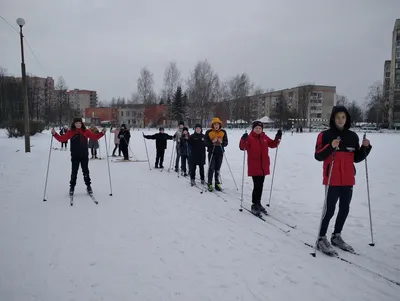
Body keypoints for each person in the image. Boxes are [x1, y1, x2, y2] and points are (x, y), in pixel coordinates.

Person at [314, 106, 372, 255]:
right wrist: (331, 146)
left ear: (347, 119)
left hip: (347, 179)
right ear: (333, 118)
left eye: (343, 117)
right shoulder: (324, 135)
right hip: (332, 178)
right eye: (338, 117)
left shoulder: (352, 136)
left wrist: (366, 148)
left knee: (344, 209)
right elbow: (318, 155)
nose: (341, 120)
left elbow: (357, 157)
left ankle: (336, 235)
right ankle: (321, 237)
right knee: (329, 209)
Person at [51, 117, 106, 196]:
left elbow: (95, 137)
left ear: (82, 124)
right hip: (75, 156)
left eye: (79, 123)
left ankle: (88, 186)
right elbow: (61, 139)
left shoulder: (86, 131)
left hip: (84, 155)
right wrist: (54, 134)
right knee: (74, 172)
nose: (78, 124)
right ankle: (72, 187)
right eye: (76, 123)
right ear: (74, 124)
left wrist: (102, 133)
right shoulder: (71, 132)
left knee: (86, 172)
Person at [239, 121, 282, 215]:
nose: (258, 130)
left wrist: (278, 137)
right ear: (253, 129)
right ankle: (254, 204)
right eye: (256, 128)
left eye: (260, 128)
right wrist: (243, 139)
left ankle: (258, 203)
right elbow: (243, 147)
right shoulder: (250, 138)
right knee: (257, 185)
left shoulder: (264, 137)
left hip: (263, 165)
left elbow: (273, 144)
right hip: (254, 165)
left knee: (260, 185)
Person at [204, 117, 228, 192]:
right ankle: (209, 183)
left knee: (217, 168)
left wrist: (222, 142)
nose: (216, 126)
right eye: (215, 124)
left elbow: (226, 142)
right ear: (212, 125)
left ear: (220, 125)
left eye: (218, 124)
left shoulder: (223, 132)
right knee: (211, 168)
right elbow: (205, 143)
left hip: (220, 152)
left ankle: (217, 183)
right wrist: (212, 142)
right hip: (212, 152)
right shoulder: (208, 132)